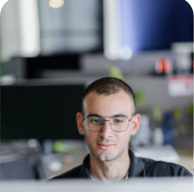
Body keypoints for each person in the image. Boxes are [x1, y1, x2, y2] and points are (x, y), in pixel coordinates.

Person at [51, 77, 192, 180]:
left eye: (118, 120)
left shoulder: (176, 180)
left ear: (135, 125)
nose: (106, 133)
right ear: (81, 124)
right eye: (95, 120)